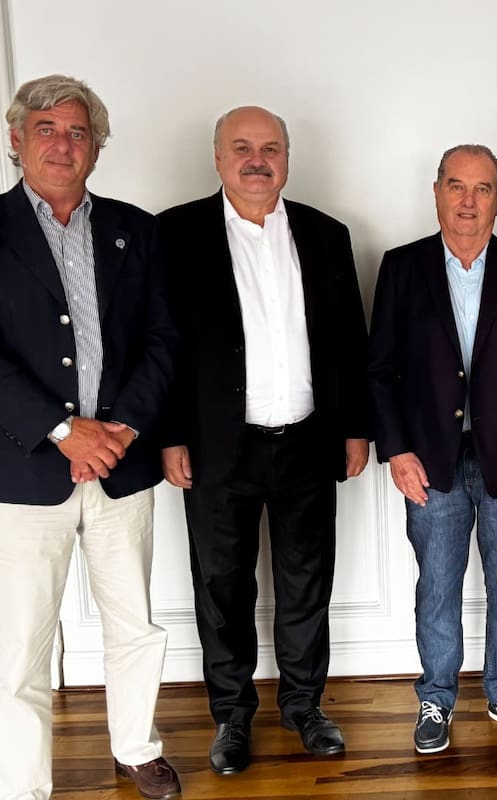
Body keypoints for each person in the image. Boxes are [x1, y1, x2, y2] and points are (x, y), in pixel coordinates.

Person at [0, 74, 179, 800]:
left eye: (78, 131)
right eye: (46, 129)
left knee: (135, 624)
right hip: (19, 472)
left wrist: (121, 429)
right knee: (20, 648)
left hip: (122, 468)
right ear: (17, 140)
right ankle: (20, 788)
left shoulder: (139, 227)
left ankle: (137, 746)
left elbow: (163, 340)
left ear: (96, 147)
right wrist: (65, 430)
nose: (62, 144)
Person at [157, 106, 372, 774]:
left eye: (271, 148)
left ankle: (306, 707)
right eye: (243, 148)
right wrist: (168, 436)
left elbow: (349, 341)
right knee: (222, 587)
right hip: (219, 446)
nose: (258, 160)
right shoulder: (177, 233)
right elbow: (160, 345)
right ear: (219, 158)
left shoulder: (326, 234)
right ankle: (231, 718)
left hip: (308, 440)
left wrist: (357, 426)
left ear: (287, 157)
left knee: (306, 583)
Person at [367, 144, 497, 753]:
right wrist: (397, 450)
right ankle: (436, 698)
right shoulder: (401, 268)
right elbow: (380, 370)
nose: (467, 201)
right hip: (429, 460)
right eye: (456, 186)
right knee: (438, 583)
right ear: (436, 192)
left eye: (482, 189)